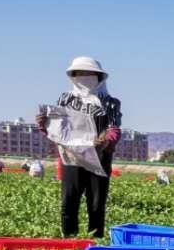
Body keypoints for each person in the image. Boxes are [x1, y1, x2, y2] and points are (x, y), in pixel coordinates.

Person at [34, 56, 122, 238]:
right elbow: (59, 130)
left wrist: (106, 140)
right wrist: (44, 125)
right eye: (79, 73)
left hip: (99, 158)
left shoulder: (110, 102)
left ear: (98, 77)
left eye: (88, 73)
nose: (84, 77)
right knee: (69, 202)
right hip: (71, 158)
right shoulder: (66, 99)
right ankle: (69, 240)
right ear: (73, 76)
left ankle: (94, 242)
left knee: (96, 204)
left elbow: (114, 129)